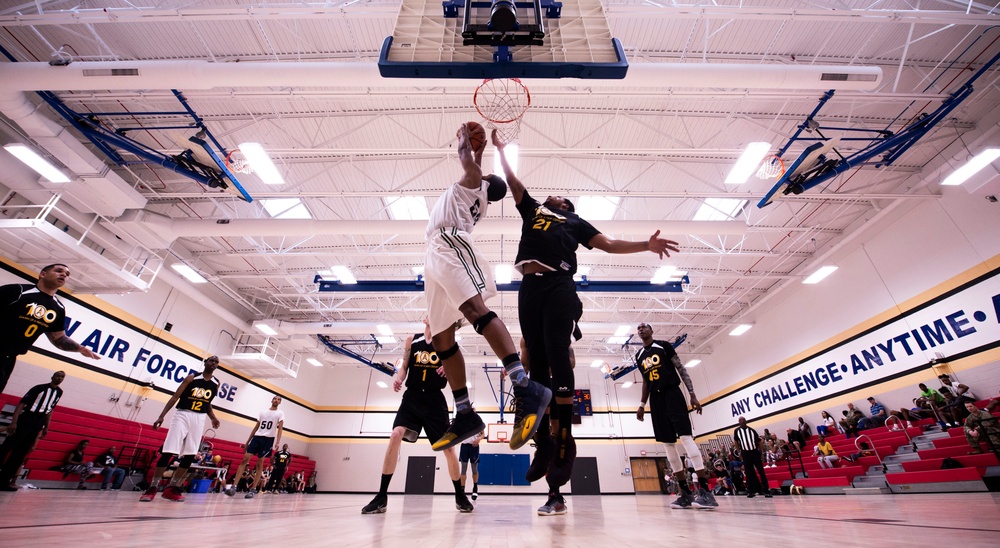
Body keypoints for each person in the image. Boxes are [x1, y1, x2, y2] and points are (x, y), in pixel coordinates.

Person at [493, 130, 678, 516]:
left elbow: (608, 244)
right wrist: (500, 152)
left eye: (558, 195)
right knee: (535, 363)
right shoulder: (533, 211)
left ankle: (564, 440)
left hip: (560, 285)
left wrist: (646, 244)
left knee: (558, 354)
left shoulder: (574, 222)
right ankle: (544, 439)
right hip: (529, 286)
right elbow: (513, 183)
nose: (551, 195)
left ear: (567, 204)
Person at [423, 123, 551, 454]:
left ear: (482, 179)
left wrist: (464, 136)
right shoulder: (476, 190)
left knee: (475, 310)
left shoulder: (470, 183)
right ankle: (465, 412)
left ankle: (524, 386)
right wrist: (483, 149)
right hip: (434, 252)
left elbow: (468, 158)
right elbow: (475, 163)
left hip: (450, 242)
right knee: (441, 337)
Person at [362, 321, 474, 514]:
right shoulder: (412, 341)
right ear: (425, 319)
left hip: (435, 401)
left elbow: (455, 367)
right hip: (412, 397)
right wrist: (399, 378)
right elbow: (405, 366)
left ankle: (459, 495)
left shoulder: (446, 341)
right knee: (395, 435)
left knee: (448, 449)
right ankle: (381, 496)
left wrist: (448, 369)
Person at [635, 323, 717, 509]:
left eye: (644, 327)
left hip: (672, 393)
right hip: (656, 400)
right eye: (638, 328)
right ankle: (685, 494)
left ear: (651, 331)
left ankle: (705, 491)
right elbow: (646, 382)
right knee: (668, 444)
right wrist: (641, 404)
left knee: (686, 437)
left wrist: (692, 394)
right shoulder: (639, 356)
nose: (641, 330)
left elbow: (681, 369)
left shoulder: (664, 346)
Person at [0, 264, 99, 393]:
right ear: (43, 274)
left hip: (8, 358)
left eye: (67, 274)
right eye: (59, 271)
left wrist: (80, 348)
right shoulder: (17, 291)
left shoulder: (58, 308)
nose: (64, 275)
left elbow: (58, 338)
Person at [140, 356, 222, 503]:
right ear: (205, 362)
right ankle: (152, 487)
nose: (214, 363)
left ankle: (172, 488)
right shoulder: (192, 378)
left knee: (190, 454)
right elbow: (175, 396)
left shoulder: (216, 383)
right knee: (169, 451)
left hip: (199, 417)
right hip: (183, 414)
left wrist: (213, 417)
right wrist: (161, 416)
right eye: (211, 360)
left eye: (216, 362)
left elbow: (207, 403)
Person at [0, 370, 65, 491]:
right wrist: (14, 422)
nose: (60, 378)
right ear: (52, 376)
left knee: (21, 453)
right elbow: (21, 404)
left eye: (62, 377)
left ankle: (4, 481)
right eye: (58, 376)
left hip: (38, 422)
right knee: (6, 447)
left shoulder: (59, 392)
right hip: (27, 418)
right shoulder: (39, 388)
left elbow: (50, 410)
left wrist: (46, 426)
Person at [225, 394, 284, 499]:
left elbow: (280, 429)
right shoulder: (263, 412)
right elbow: (256, 427)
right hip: (257, 437)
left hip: (268, 440)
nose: (276, 400)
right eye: (275, 398)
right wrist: (248, 440)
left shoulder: (280, 413)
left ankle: (253, 489)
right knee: (245, 459)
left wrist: (278, 442)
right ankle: (234, 486)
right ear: (272, 400)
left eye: (278, 399)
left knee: (259, 463)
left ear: (280, 402)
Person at [732, 416, 771, 499]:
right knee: (749, 473)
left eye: (743, 420)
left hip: (754, 452)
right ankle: (751, 491)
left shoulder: (752, 430)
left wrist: (762, 452)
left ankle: (766, 490)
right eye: (740, 420)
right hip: (745, 453)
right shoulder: (737, 431)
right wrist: (739, 452)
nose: (742, 421)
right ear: (738, 422)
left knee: (761, 471)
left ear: (746, 421)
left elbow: (759, 441)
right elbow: (736, 441)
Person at [459, 431, 483, 500]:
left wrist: (479, 438)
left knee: (474, 469)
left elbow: (483, 434)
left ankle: (475, 488)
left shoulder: (477, 421)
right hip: (464, 446)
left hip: (474, 447)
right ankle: (462, 490)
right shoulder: (462, 422)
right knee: (463, 469)